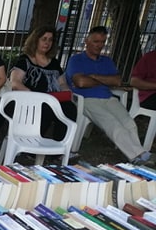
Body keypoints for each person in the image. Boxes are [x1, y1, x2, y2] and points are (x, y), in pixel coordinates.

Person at [65, 26, 151, 165]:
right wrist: (104, 80)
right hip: (87, 99)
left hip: (108, 98)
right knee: (113, 124)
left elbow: (116, 81)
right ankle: (137, 155)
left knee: (129, 123)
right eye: (96, 41)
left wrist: (93, 77)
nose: (99, 45)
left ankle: (136, 155)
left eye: (102, 42)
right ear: (86, 41)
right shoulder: (76, 60)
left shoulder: (106, 61)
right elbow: (80, 82)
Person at [10, 25, 76, 140]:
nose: (47, 43)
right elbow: (15, 83)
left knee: (69, 108)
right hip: (29, 101)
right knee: (45, 109)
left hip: (52, 99)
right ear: (36, 40)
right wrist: (36, 96)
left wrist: (66, 90)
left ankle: (59, 148)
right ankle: (30, 145)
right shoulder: (24, 60)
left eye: (50, 40)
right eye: (44, 39)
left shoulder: (54, 63)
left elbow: (62, 83)